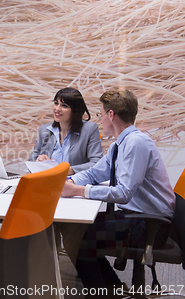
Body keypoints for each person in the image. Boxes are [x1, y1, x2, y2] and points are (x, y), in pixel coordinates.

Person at [61, 89, 175, 297]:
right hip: (136, 217)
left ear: (111, 115)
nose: (100, 120)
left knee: (78, 239)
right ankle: (113, 289)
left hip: (150, 225)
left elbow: (124, 193)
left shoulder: (136, 143)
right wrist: (71, 181)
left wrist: (78, 190)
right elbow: (96, 173)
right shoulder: (120, 144)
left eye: (101, 115)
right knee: (74, 231)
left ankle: (105, 292)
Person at [29, 87, 103, 175]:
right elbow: (31, 163)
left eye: (64, 106)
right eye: (56, 103)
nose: (57, 108)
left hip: (76, 184)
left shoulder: (90, 129)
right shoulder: (44, 130)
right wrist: (39, 163)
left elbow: (97, 163)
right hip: (48, 182)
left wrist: (68, 170)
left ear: (75, 110)